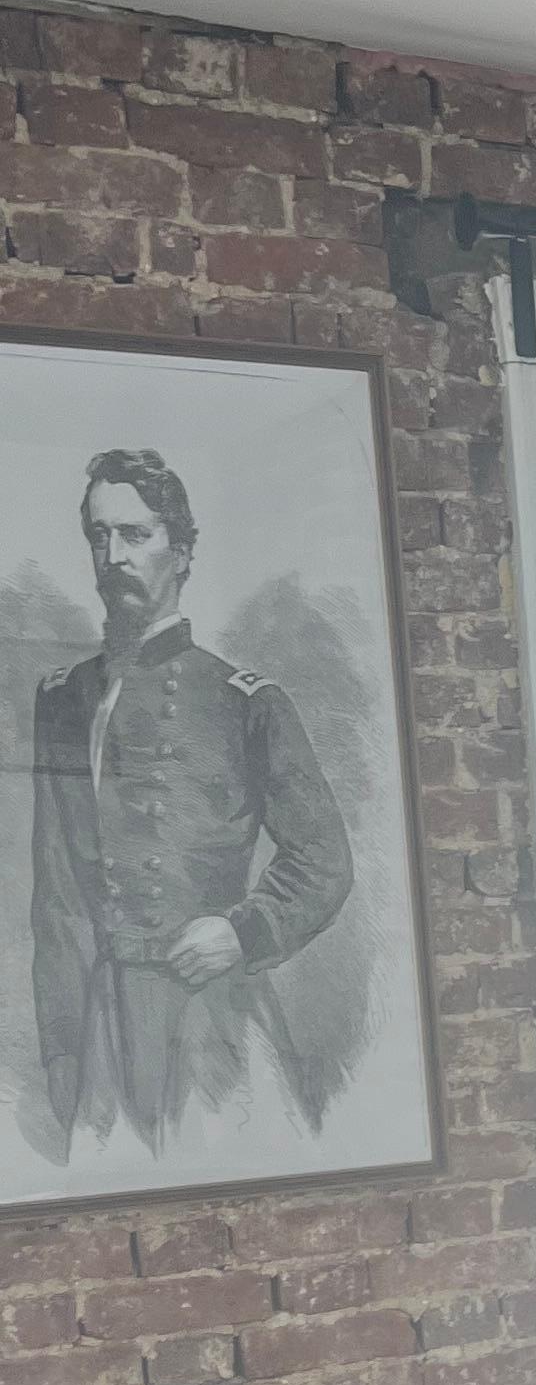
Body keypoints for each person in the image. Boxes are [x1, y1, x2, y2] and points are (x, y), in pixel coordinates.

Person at [28, 448, 354, 1159]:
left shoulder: (245, 700)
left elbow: (324, 859)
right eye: (99, 536)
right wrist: (62, 1048)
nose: (114, 556)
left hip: (214, 1016)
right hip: (105, 1031)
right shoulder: (62, 699)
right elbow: (56, 897)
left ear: (181, 551)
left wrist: (242, 932)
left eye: (136, 534)